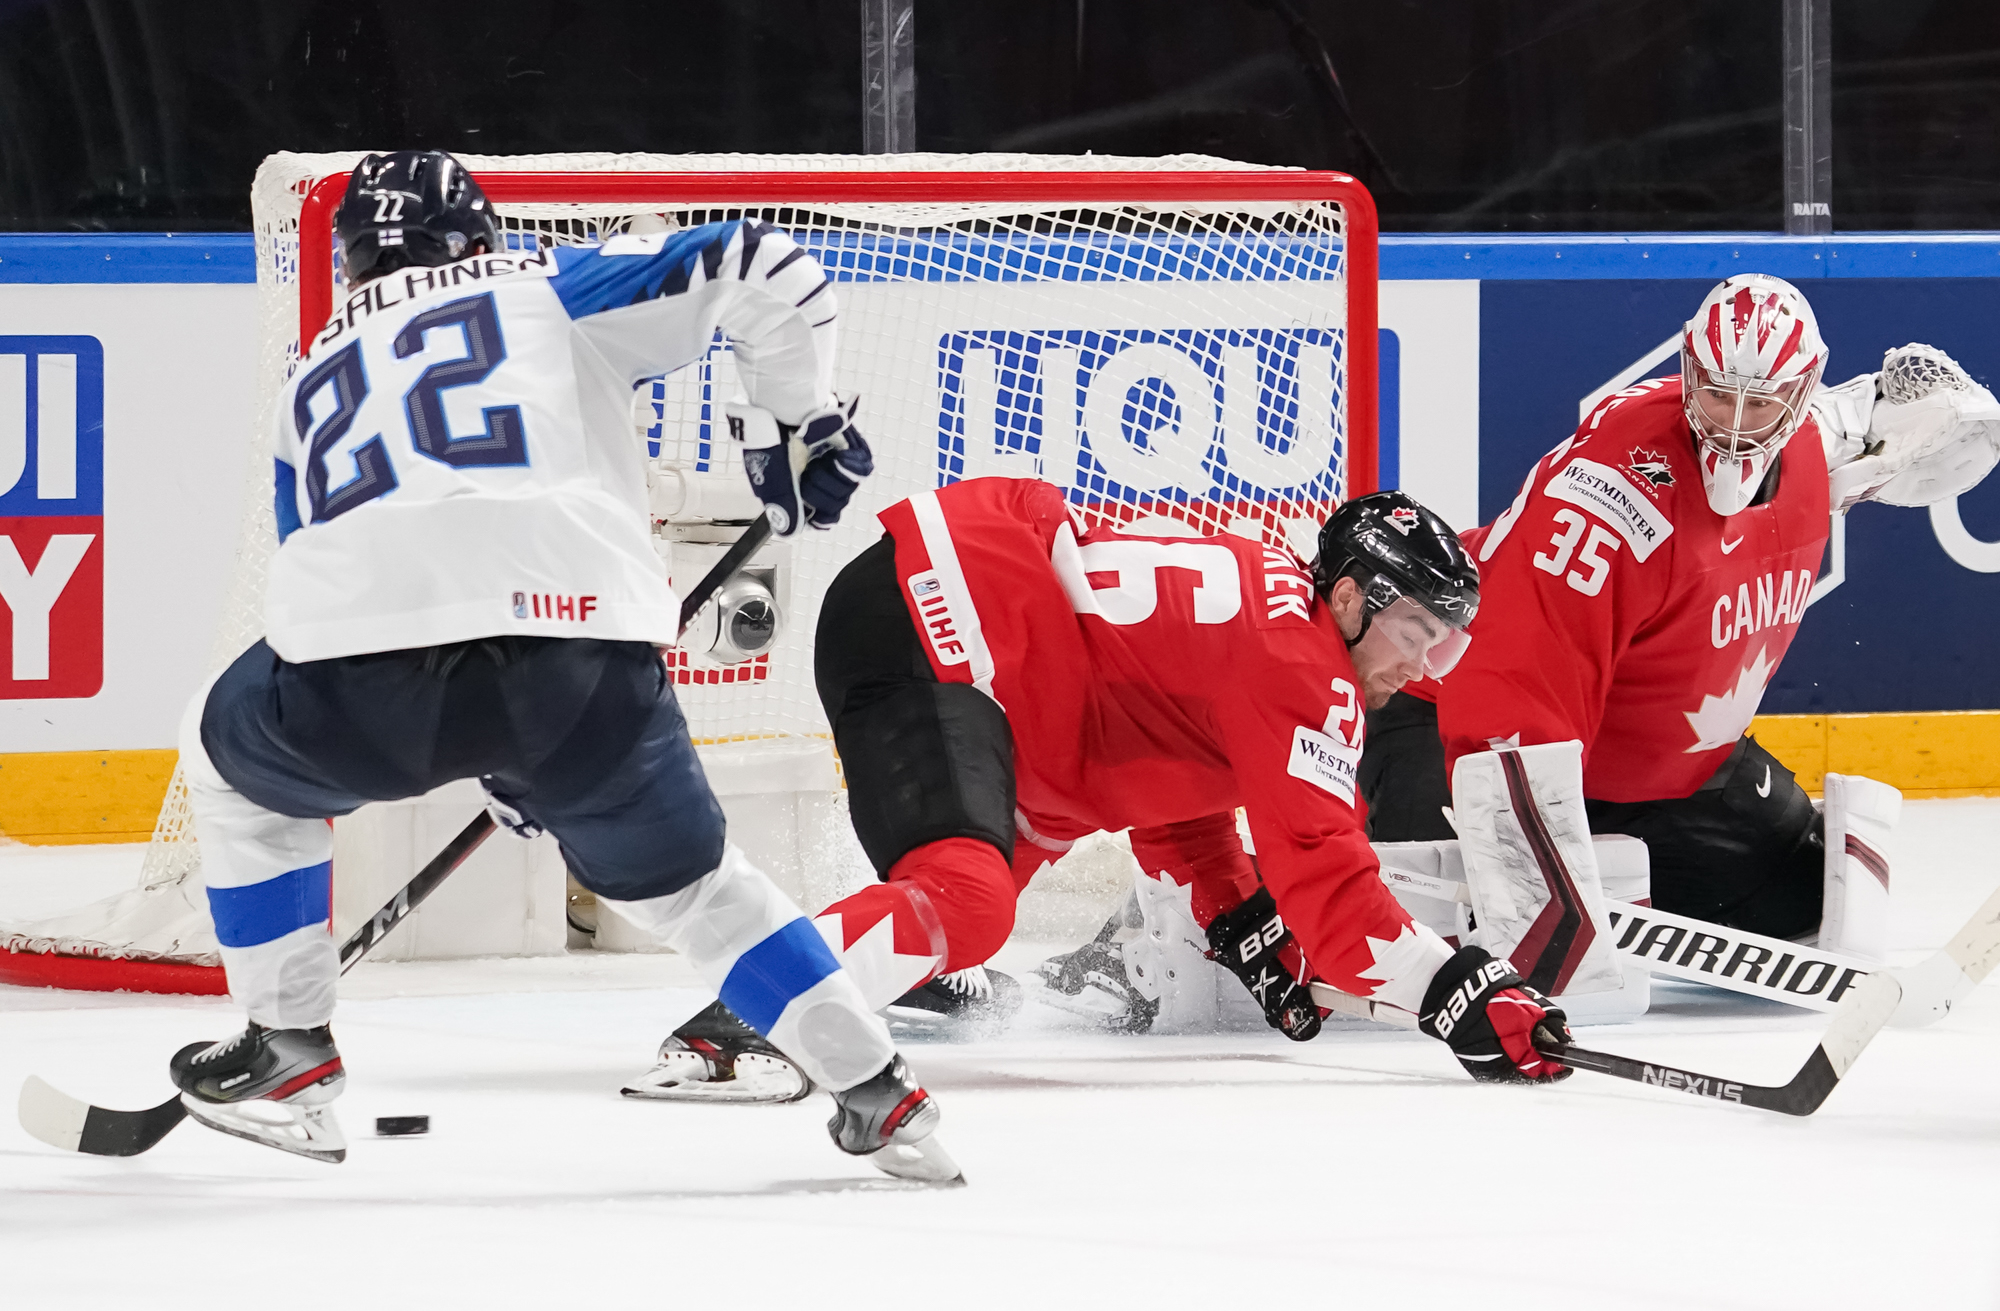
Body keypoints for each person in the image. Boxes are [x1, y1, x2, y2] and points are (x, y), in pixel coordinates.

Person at [166, 149, 956, 1182]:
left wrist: (466, 726)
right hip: (579, 674)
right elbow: (767, 262)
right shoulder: (546, 284)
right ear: (480, 237)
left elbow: (323, 577)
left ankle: (289, 1048)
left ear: (352, 264)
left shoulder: (308, 372)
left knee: (229, 764)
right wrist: (794, 422)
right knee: (702, 892)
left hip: (354, 682)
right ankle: (883, 1100)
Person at [632, 481, 1577, 1097]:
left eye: (1442, 640)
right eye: (1415, 630)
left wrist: (1235, 906)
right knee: (970, 897)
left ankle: (857, 971)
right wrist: (1452, 984)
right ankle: (758, 1012)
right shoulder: (1307, 667)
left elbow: (1181, 780)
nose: (1423, 665)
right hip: (952, 624)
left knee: (969, 892)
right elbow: (1330, 881)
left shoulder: (1276, 624)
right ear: (1349, 599)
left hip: (948, 631)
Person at [1361, 274, 2000, 962]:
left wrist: (1945, 416)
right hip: (1453, 723)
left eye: (1761, 404)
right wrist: (1541, 910)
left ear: (1800, 395)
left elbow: (1916, 412)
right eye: (1720, 394)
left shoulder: (1818, 437)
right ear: (1691, 372)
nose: (1733, 423)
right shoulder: (1608, 501)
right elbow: (1508, 686)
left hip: (1648, 771)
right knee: (1431, 936)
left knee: (1801, 895)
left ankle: (1608, 873)